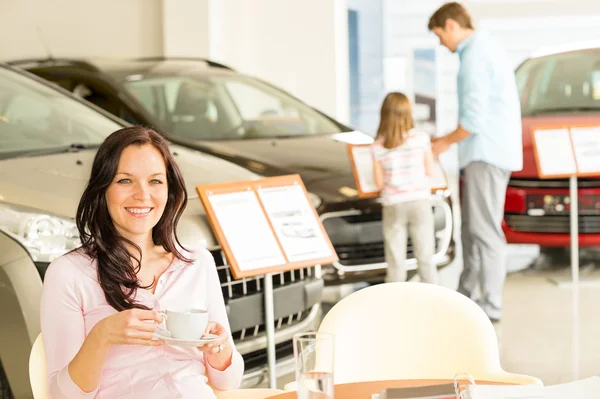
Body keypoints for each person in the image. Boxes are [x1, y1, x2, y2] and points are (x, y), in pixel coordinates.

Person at [40, 126, 244, 398]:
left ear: (169, 190)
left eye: (155, 181)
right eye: (125, 181)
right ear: (103, 189)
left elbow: (228, 383)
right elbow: (60, 395)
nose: (143, 195)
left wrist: (219, 347)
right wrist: (102, 336)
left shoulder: (198, 264)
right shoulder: (69, 274)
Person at [427, 2, 523, 322]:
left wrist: (441, 142)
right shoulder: (482, 50)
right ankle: (467, 295)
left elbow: (472, 120)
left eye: (440, 35)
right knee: (472, 229)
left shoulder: (475, 57)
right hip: (485, 153)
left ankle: (490, 304)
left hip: (486, 153)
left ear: (451, 25)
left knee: (484, 231)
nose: (441, 44)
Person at [372, 92, 438, 285]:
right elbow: (430, 170)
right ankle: (435, 301)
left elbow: (378, 183)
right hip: (419, 202)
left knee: (395, 261)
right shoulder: (421, 139)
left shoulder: (378, 146)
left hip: (393, 204)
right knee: (425, 257)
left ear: (384, 114)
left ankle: (395, 306)